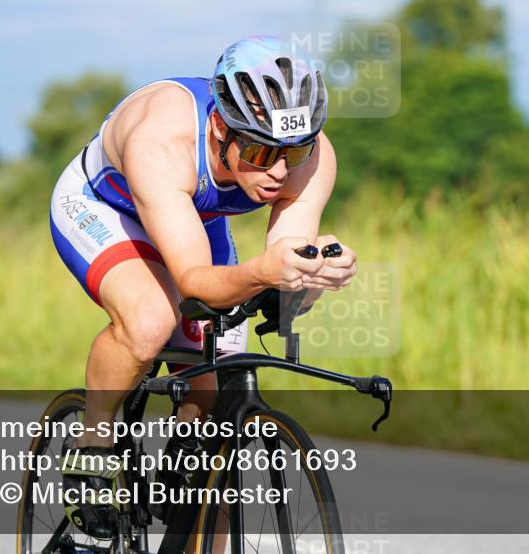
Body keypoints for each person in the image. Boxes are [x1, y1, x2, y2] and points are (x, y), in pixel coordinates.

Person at [48, 35, 356, 534]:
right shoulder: (161, 140)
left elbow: (287, 255)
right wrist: (262, 273)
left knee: (222, 383)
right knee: (152, 322)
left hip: (195, 214)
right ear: (218, 128)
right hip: (107, 207)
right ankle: (94, 440)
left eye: (294, 151)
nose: (279, 171)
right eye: (258, 150)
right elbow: (194, 283)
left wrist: (311, 276)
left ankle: (189, 467)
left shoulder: (311, 156)